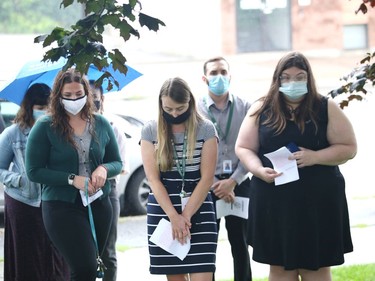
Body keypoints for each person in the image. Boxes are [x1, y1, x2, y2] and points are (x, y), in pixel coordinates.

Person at [235, 51, 357, 281]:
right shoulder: (261, 108)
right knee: (280, 268)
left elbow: (349, 147)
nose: (293, 82)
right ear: (277, 79)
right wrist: (258, 170)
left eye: (300, 77)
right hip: (274, 201)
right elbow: (243, 147)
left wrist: (316, 157)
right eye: (287, 77)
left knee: (316, 268)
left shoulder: (325, 106)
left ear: (308, 78)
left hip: (318, 203)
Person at [25, 69, 122, 281]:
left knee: (95, 264)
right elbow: (33, 171)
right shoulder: (45, 126)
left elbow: (117, 162)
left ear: (87, 93)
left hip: (99, 202)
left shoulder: (101, 123)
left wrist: (104, 169)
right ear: (58, 96)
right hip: (61, 205)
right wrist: (72, 179)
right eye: (67, 95)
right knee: (85, 267)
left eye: (78, 94)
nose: (74, 99)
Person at [140, 77, 219, 280]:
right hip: (165, 210)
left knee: (203, 274)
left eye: (180, 108)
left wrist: (185, 216)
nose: (174, 114)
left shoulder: (207, 128)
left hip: (198, 207)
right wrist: (175, 218)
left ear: (190, 103)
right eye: (169, 109)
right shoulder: (150, 130)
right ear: (160, 105)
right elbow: (153, 179)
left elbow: (207, 178)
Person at [0, 83, 69, 281]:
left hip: (54, 202)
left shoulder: (61, 132)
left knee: (58, 259)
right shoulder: (13, 133)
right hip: (24, 203)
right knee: (27, 259)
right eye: (39, 109)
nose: (44, 113)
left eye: (48, 108)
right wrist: (19, 180)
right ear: (29, 108)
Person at [197, 56, 252, 281]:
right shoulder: (195, 110)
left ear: (230, 76)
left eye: (223, 72)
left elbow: (252, 148)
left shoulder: (246, 107)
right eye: (213, 73)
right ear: (204, 78)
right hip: (206, 186)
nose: (219, 77)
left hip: (239, 183)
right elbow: (194, 151)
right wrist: (213, 184)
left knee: (241, 245)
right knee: (207, 246)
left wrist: (233, 181)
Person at [90, 80, 128, 281]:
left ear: (102, 99)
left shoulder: (113, 128)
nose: (91, 103)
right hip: (79, 192)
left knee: (108, 252)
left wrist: (102, 169)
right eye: (87, 98)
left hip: (107, 190)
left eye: (95, 99)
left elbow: (122, 166)